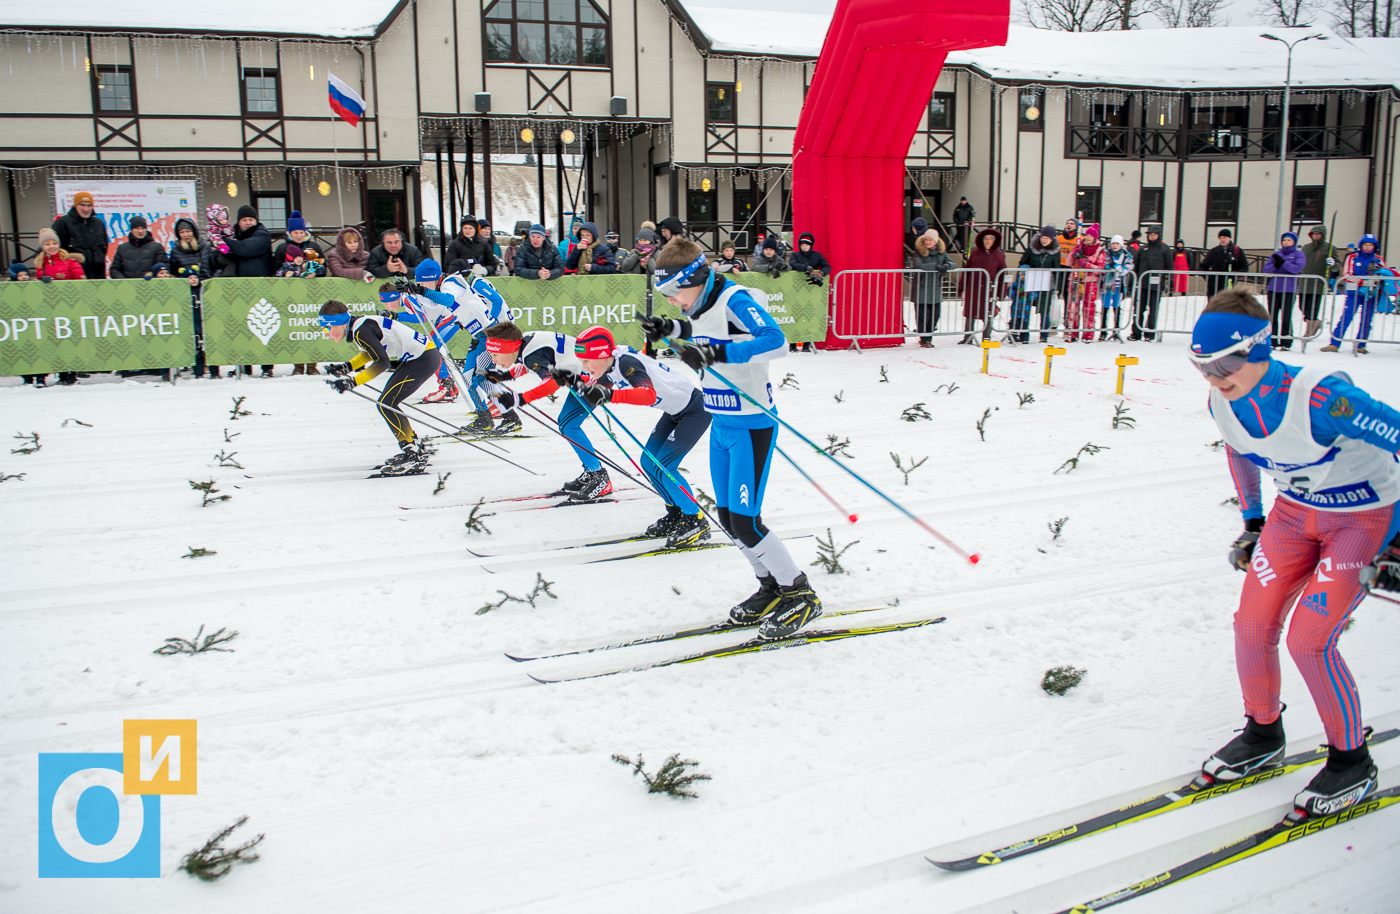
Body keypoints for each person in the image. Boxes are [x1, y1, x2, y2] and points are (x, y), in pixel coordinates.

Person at [1192, 285, 1400, 818]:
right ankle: (1264, 732)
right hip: (1292, 515)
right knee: (1251, 624)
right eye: (1201, 367)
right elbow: (1241, 452)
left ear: (1258, 350)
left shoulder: (1326, 397)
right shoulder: (1223, 398)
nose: (1213, 379)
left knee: (1311, 640)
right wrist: (1252, 521)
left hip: (1363, 516)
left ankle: (1352, 761)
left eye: (1223, 365)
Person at [639, 237, 821, 641]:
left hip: (752, 424)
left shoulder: (735, 297)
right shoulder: (700, 301)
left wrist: (714, 354)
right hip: (721, 423)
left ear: (697, 277)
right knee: (727, 518)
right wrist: (670, 328)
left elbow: (776, 341)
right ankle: (769, 587)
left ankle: (800, 591)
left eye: (673, 292)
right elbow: (703, 327)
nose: (671, 300)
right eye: (664, 295)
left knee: (746, 520)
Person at [571, 325, 713, 547]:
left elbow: (647, 394)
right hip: (675, 411)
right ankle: (676, 513)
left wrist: (610, 395)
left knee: (666, 466)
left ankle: (696, 520)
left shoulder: (626, 363)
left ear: (601, 354)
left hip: (695, 410)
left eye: (587, 361)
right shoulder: (611, 366)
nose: (585, 367)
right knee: (648, 462)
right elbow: (598, 390)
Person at [482, 321, 608, 498]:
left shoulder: (530, 353)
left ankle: (598, 477)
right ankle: (592, 471)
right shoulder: (526, 343)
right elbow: (533, 365)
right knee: (566, 424)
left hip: (595, 378)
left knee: (569, 426)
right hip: (585, 375)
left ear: (509, 348)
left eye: (495, 354)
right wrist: (506, 375)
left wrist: (521, 398)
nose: (493, 360)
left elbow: (552, 382)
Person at [318, 299, 441, 475]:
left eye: (327, 328)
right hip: (421, 356)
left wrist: (352, 382)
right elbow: (373, 352)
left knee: (386, 404)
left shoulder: (361, 331)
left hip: (422, 359)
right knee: (387, 403)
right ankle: (413, 450)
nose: (327, 333)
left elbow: (382, 362)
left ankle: (412, 453)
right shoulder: (360, 326)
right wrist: (348, 366)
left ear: (337, 323)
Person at [29, 229, 86, 385]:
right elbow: (37, 285)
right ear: (42, 246)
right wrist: (41, 282)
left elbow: (80, 282)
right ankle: (59, 372)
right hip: (51, 308)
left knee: (70, 340)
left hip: (69, 307)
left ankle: (71, 374)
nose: (51, 246)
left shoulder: (69, 261)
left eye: (54, 243)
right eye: (47, 244)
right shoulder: (41, 264)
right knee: (54, 341)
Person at [225, 205, 276, 377]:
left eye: (250, 220)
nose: (247, 223)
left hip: (260, 287)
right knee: (242, 328)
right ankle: (244, 366)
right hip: (239, 288)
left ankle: (267, 367)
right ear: (238, 222)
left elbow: (244, 249)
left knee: (264, 326)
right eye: (244, 220)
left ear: (256, 221)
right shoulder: (232, 235)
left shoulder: (262, 234)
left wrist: (223, 241)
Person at [168, 217, 219, 379]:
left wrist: (211, 282)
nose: (186, 234)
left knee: (210, 333)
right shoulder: (176, 251)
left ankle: (214, 370)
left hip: (206, 293)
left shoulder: (205, 248)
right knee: (194, 333)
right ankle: (197, 370)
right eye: (182, 232)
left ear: (194, 232)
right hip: (187, 296)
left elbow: (215, 268)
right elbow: (173, 273)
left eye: (188, 231)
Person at [1321, 234, 1386, 355]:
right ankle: (1335, 343)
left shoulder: (1379, 259)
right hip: (1353, 292)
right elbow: (1347, 274)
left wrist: (1377, 278)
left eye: (1370, 244)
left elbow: (1383, 275)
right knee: (1346, 317)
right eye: (1365, 244)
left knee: (1367, 319)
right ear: (1361, 245)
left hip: (1371, 293)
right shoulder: (1352, 257)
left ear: (1375, 246)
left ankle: (1361, 344)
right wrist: (1363, 281)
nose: (1367, 247)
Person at [959, 227, 1004, 344]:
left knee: (988, 314)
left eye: (990, 239)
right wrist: (961, 287)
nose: (987, 241)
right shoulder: (975, 252)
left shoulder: (999, 254)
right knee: (970, 313)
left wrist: (1001, 292)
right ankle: (968, 337)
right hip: (973, 288)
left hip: (989, 290)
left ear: (995, 241)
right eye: (986, 238)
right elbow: (967, 270)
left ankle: (987, 338)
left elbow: (1003, 274)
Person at [1262, 232, 1306, 351]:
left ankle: (1286, 341)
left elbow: (1296, 269)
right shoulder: (1276, 254)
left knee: (1286, 316)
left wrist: (1284, 263)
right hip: (1274, 288)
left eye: (1289, 240)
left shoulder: (1298, 254)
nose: (1286, 242)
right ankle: (1273, 340)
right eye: (1284, 240)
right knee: (1272, 315)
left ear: (1294, 242)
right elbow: (1266, 269)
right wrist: (1276, 265)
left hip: (1289, 289)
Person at [51, 191, 109, 279]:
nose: (86, 209)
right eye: (82, 205)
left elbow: (104, 247)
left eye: (89, 205)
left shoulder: (98, 223)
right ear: (75, 206)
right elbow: (52, 247)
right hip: (73, 275)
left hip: (97, 275)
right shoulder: (63, 223)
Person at [1131, 226, 1173, 341]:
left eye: (1154, 234)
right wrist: (1132, 282)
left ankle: (1149, 333)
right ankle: (1136, 333)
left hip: (1156, 285)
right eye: (1150, 234)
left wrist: (1171, 282)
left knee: (1153, 310)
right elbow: (1135, 266)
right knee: (1139, 309)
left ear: (1159, 235)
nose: (1152, 236)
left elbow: (1170, 267)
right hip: (1142, 284)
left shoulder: (1165, 249)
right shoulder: (1143, 249)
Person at [912, 228, 953, 347]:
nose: (928, 242)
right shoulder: (918, 252)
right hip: (921, 288)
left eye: (930, 240)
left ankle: (929, 337)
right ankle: (924, 339)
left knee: (935, 315)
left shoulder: (942, 253)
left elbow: (952, 263)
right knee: (922, 316)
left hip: (935, 288)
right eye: (926, 239)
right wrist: (935, 266)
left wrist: (947, 265)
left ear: (935, 241)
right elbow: (918, 265)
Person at [1020, 226, 1060, 344]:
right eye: (1043, 237)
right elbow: (1023, 262)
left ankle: (1044, 334)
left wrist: (1056, 284)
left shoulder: (1055, 251)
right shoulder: (1032, 248)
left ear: (1051, 239)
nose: (1044, 240)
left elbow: (1057, 267)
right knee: (1026, 306)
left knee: (1044, 308)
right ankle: (1024, 334)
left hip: (1046, 282)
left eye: (1047, 238)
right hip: (1031, 279)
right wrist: (1023, 272)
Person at [1067, 225, 1105, 343]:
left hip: (1090, 281)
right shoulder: (1079, 247)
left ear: (1095, 238)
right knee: (1073, 307)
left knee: (1089, 309)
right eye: (1087, 235)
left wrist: (1087, 265)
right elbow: (1068, 262)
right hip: (1076, 279)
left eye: (1091, 236)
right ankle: (1072, 333)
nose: (1088, 238)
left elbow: (1100, 268)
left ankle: (1088, 334)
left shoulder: (1099, 250)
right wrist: (1074, 254)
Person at [1299, 226, 1337, 343]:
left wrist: (1333, 263)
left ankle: (1309, 331)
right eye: (1314, 234)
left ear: (1322, 235)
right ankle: (1315, 323)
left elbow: (1337, 267)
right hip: (1304, 282)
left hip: (1318, 283)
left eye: (1318, 234)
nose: (1316, 236)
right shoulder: (1306, 247)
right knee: (1303, 306)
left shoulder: (1330, 248)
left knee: (1312, 308)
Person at [1099, 234, 1133, 343]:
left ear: (1121, 244)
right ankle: (1103, 331)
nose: (1114, 245)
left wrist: (1123, 268)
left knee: (1116, 307)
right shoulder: (1106, 253)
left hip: (1119, 285)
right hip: (1107, 285)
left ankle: (1116, 329)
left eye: (1117, 243)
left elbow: (1129, 266)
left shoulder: (1126, 255)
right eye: (1113, 243)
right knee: (1105, 307)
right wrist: (1112, 265)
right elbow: (1104, 263)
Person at [1202, 228, 1250, 298]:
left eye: (1224, 237)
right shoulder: (1213, 251)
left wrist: (1235, 275)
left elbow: (1244, 267)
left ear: (1229, 238)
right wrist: (1210, 278)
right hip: (1214, 287)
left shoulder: (1237, 251)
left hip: (1230, 286)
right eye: (1220, 238)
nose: (1222, 240)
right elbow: (1202, 266)